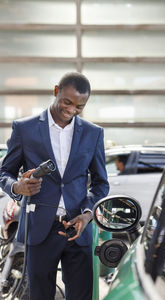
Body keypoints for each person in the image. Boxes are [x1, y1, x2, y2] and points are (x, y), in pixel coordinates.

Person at [0, 72, 109, 300]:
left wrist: (87, 214)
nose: (71, 110)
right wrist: (17, 188)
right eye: (67, 102)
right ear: (56, 91)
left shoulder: (94, 133)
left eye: (80, 106)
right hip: (39, 229)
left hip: (77, 230)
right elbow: (4, 173)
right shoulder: (25, 129)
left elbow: (101, 184)